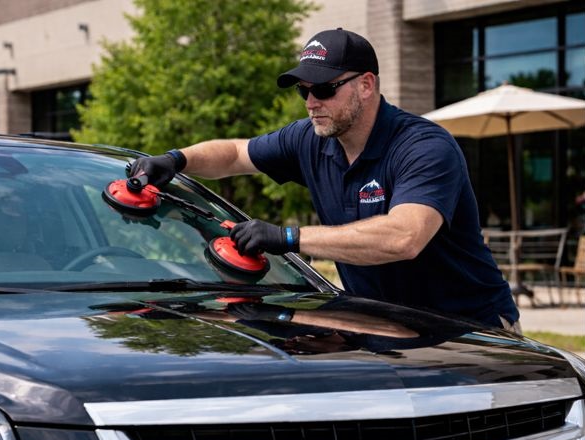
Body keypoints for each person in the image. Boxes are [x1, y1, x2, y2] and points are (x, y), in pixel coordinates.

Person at [127, 28, 520, 332]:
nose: (312, 101)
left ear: (366, 85)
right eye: (304, 90)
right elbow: (234, 153)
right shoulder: (309, 138)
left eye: (325, 89)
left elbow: (405, 237)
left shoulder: (423, 146)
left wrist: (287, 238)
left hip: (469, 333)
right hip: (382, 328)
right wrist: (176, 160)